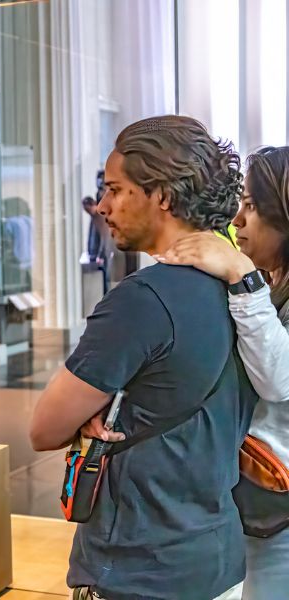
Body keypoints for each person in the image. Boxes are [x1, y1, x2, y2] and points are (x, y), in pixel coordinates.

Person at [29, 115, 256, 600]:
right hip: (216, 557)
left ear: (163, 196)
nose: (103, 206)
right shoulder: (242, 289)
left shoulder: (141, 300)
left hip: (140, 567)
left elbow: (44, 429)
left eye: (115, 189)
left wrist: (95, 408)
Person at [156, 146, 289, 599]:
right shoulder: (271, 285)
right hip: (253, 501)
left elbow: (278, 378)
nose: (236, 222)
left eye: (251, 207)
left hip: (278, 508)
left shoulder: (254, 281)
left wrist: (241, 273)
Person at [81, 189, 113, 293]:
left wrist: (99, 254)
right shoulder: (94, 217)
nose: (89, 212)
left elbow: (105, 236)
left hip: (107, 251)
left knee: (108, 279)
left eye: (89, 209)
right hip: (103, 252)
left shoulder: (100, 215)